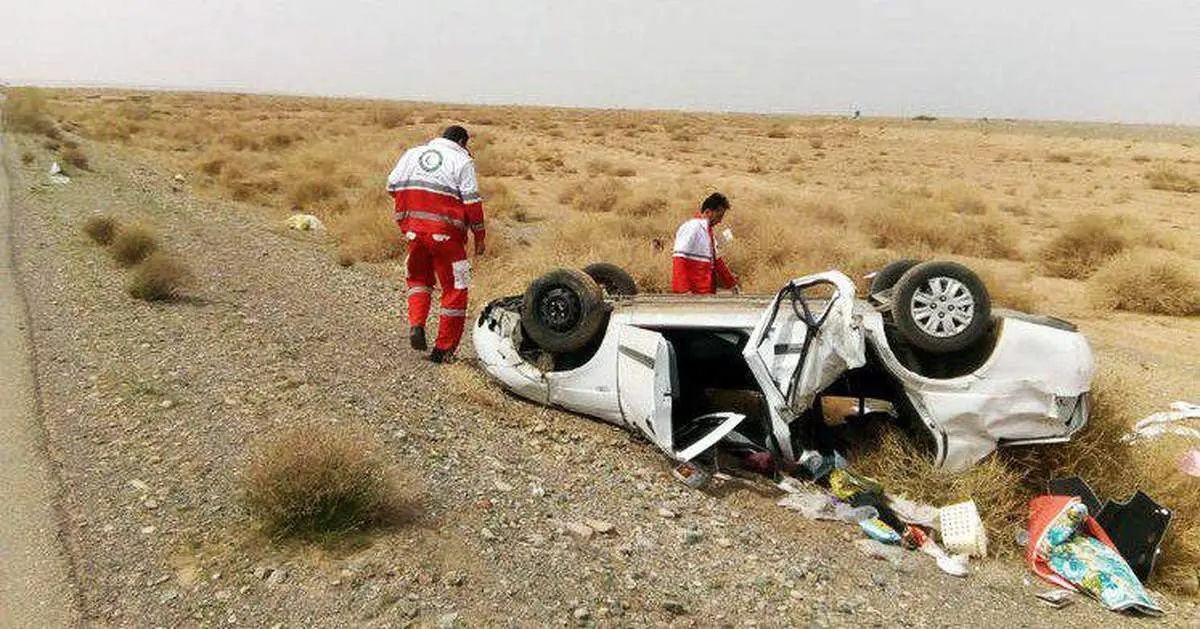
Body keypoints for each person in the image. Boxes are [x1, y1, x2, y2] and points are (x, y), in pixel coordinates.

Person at [386, 125, 485, 363]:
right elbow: (472, 203)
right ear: (462, 142)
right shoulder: (462, 162)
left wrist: (416, 210)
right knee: (455, 288)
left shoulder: (411, 154)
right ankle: (443, 349)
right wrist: (479, 237)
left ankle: (417, 324)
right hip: (447, 237)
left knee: (418, 279)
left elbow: (391, 187)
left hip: (413, 232)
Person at [671, 192, 740, 294]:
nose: (720, 221)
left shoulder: (709, 233)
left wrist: (732, 284)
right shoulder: (692, 227)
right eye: (719, 216)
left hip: (705, 293)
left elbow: (718, 263)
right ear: (708, 212)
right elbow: (679, 259)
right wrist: (683, 291)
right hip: (692, 294)